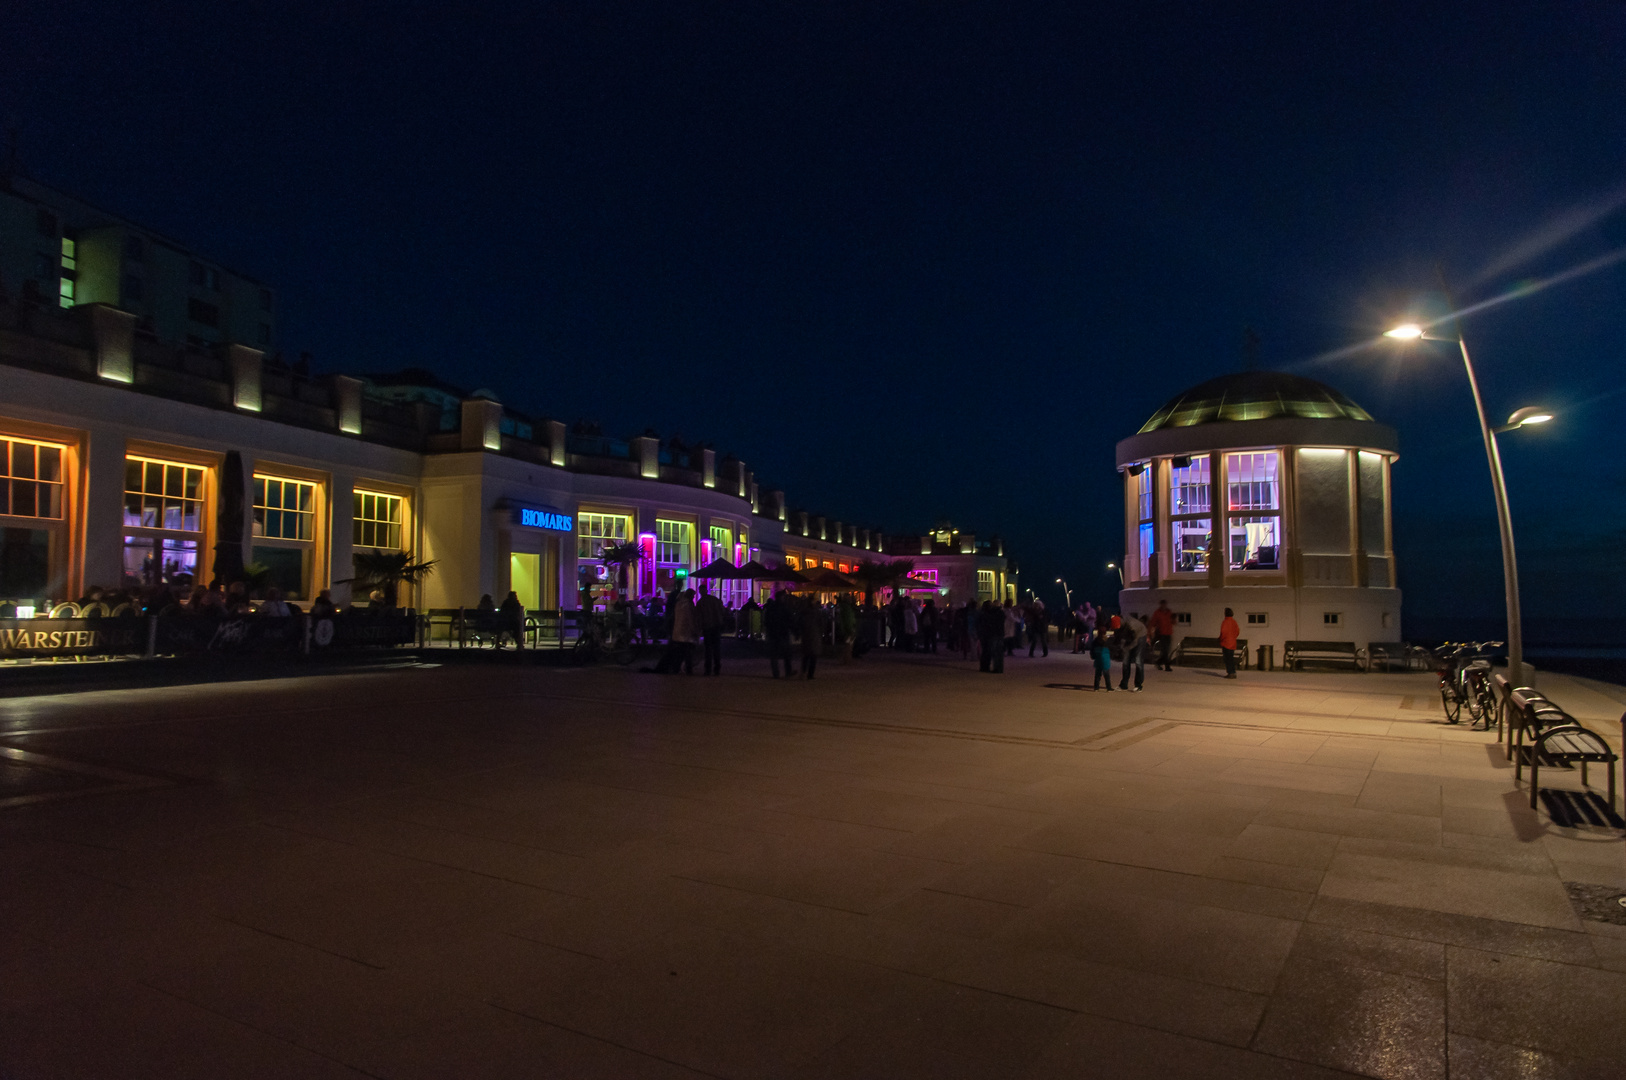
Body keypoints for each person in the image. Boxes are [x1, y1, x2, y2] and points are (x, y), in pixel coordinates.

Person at [666, 589, 697, 674]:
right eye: (693, 596)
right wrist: (694, 630)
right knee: (687, 653)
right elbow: (690, 619)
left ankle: (676, 669)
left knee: (679, 652)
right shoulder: (689, 605)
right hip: (686, 633)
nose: (694, 597)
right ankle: (688, 669)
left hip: (677, 632)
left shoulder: (678, 604)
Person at [763, 591, 794, 678]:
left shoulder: (771, 608)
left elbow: (767, 621)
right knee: (786, 653)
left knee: (775, 655)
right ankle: (787, 671)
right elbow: (789, 619)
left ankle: (776, 673)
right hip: (782, 633)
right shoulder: (784, 608)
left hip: (774, 633)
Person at [697, 586, 725, 675]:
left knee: (708, 648)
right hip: (716, 626)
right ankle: (717, 668)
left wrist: (699, 628)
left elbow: (698, 616)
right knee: (716, 648)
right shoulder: (715, 600)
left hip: (707, 627)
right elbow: (722, 610)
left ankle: (708, 669)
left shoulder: (700, 602)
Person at [1118, 611, 1147, 691]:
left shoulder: (1132, 626)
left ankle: (1138, 685)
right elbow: (1120, 638)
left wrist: (1125, 648)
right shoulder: (1119, 622)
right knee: (1125, 661)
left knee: (1138, 661)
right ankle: (1124, 685)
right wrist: (1121, 647)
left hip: (1140, 635)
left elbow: (1134, 642)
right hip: (1130, 635)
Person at [799, 597, 824, 679]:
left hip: (807, 635)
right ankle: (810, 674)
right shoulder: (816, 613)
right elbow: (821, 623)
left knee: (806, 656)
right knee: (813, 656)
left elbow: (800, 624)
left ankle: (803, 672)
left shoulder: (804, 613)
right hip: (814, 635)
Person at [978, 601, 1006, 673]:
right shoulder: (998, 613)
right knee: (996, 652)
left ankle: (987, 667)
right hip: (996, 634)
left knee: (989, 651)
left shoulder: (986, 613)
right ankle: (997, 668)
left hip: (991, 634)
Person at [1149, 599, 1176, 671]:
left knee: (1166, 650)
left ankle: (1158, 662)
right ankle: (1167, 666)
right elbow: (1153, 622)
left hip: (1169, 633)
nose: (1164, 606)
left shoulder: (1169, 612)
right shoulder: (1157, 613)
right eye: (1163, 605)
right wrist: (1152, 631)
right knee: (1165, 650)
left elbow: (1173, 622)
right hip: (1161, 633)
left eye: (1165, 604)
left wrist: (1174, 619)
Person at [1219, 607, 1241, 679]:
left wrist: (1221, 639)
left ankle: (1230, 672)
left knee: (1227, 659)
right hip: (1233, 643)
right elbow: (1237, 631)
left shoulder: (1225, 622)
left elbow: (1223, 632)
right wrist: (1233, 637)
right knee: (1231, 658)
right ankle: (1233, 672)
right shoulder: (1234, 622)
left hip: (1226, 643)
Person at [1092, 621, 1114, 690]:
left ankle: (1096, 687)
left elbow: (1092, 650)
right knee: (1106, 674)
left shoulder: (1095, 641)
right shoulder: (1107, 641)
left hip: (1098, 659)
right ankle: (1109, 687)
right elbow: (1111, 649)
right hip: (1105, 660)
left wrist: (1093, 656)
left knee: (1097, 674)